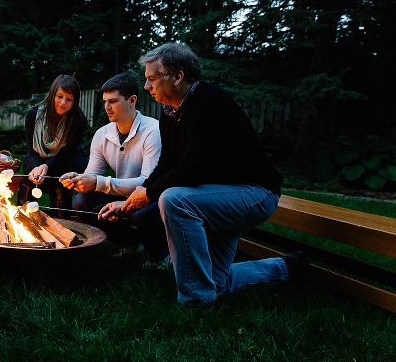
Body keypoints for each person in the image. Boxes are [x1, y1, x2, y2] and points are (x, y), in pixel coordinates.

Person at [99, 43, 309, 307]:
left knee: (175, 199)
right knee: (215, 282)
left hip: (254, 193)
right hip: (217, 196)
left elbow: (194, 168)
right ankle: (289, 267)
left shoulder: (211, 103)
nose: (146, 87)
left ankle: (195, 300)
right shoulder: (170, 113)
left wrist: (149, 195)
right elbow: (166, 165)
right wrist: (130, 200)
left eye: (152, 79)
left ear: (178, 76)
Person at [59, 73, 161, 242]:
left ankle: (158, 249)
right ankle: (128, 242)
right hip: (122, 193)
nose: (107, 106)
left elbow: (148, 183)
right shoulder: (102, 134)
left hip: (151, 195)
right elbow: (93, 175)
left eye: (113, 101)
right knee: (81, 202)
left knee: (140, 212)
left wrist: (99, 183)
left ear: (132, 100)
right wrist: (78, 181)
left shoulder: (153, 131)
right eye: (105, 101)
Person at [17, 74, 89, 216]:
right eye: (59, 96)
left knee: (59, 177)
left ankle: (61, 222)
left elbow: (66, 153)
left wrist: (46, 166)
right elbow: (32, 151)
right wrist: (36, 168)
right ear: (52, 95)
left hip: (68, 158)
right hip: (37, 156)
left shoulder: (79, 120)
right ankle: (21, 219)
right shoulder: (33, 115)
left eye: (69, 99)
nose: (63, 102)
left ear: (75, 101)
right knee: (29, 175)